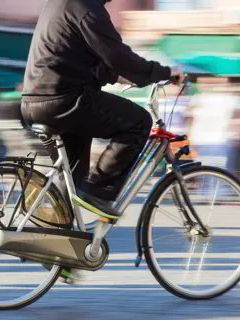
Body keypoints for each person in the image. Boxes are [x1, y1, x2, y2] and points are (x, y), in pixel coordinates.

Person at [21, 0, 183, 217]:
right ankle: (98, 190)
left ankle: (57, 242)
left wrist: (116, 76)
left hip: (37, 101)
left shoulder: (61, 4)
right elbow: (117, 55)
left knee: (70, 182)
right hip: (64, 100)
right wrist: (163, 72)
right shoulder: (85, 7)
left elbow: (72, 56)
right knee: (138, 122)